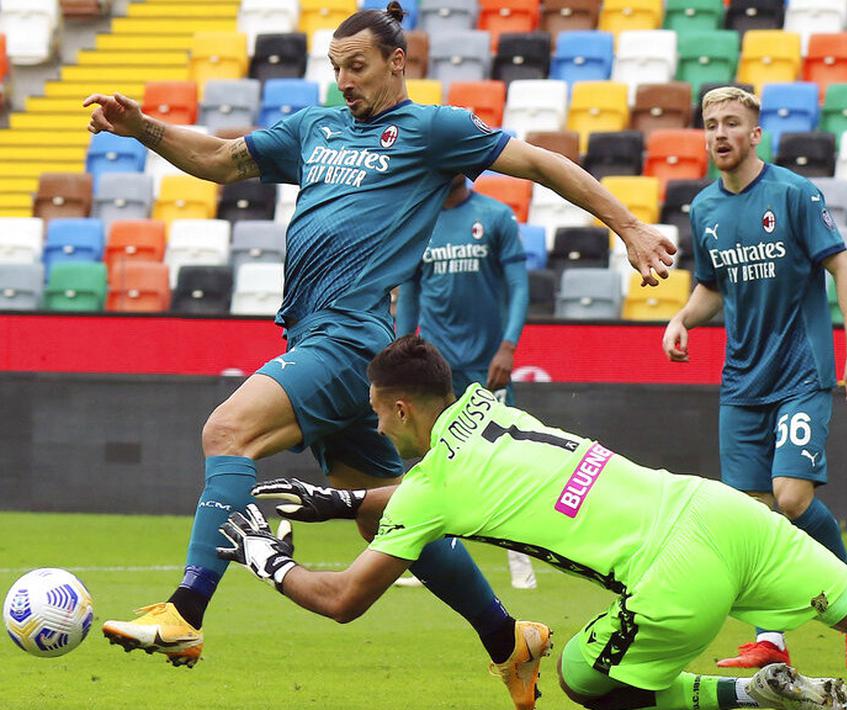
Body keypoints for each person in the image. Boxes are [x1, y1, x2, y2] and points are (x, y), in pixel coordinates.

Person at [86, 3, 673, 701]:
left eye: (357, 66)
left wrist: (629, 227)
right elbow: (220, 158)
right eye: (335, 68)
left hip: (349, 331)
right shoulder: (314, 127)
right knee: (381, 513)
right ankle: (505, 637)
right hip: (315, 336)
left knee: (227, 431)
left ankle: (185, 611)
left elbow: (540, 163)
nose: (344, 81)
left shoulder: (434, 131)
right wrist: (142, 129)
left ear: (398, 62)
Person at [221, 335, 847, 710]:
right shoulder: (488, 408)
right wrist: (342, 500)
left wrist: (264, 557)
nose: (377, 429)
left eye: (380, 417)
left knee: (582, 679)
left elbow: (342, 599)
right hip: (713, 508)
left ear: (399, 411)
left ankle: (750, 696)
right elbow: (467, 488)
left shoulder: (426, 489)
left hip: (668, 581)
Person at [660, 86, 847, 671]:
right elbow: (711, 287)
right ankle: (771, 640)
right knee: (751, 514)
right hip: (741, 384)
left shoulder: (793, 193)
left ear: (756, 135)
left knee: (790, 497)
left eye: (732, 123)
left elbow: (844, 269)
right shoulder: (704, 209)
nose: (721, 133)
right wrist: (682, 317)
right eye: (711, 125)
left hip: (801, 374)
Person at [396, 173, 537, 588]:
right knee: (436, 460)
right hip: (438, 363)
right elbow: (411, 292)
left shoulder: (494, 216)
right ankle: (432, 562)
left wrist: (508, 346)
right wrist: (407, 348)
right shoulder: (418, 222)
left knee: (506, 456)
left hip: (487, 360)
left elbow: (518, 285)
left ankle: (522, 561)